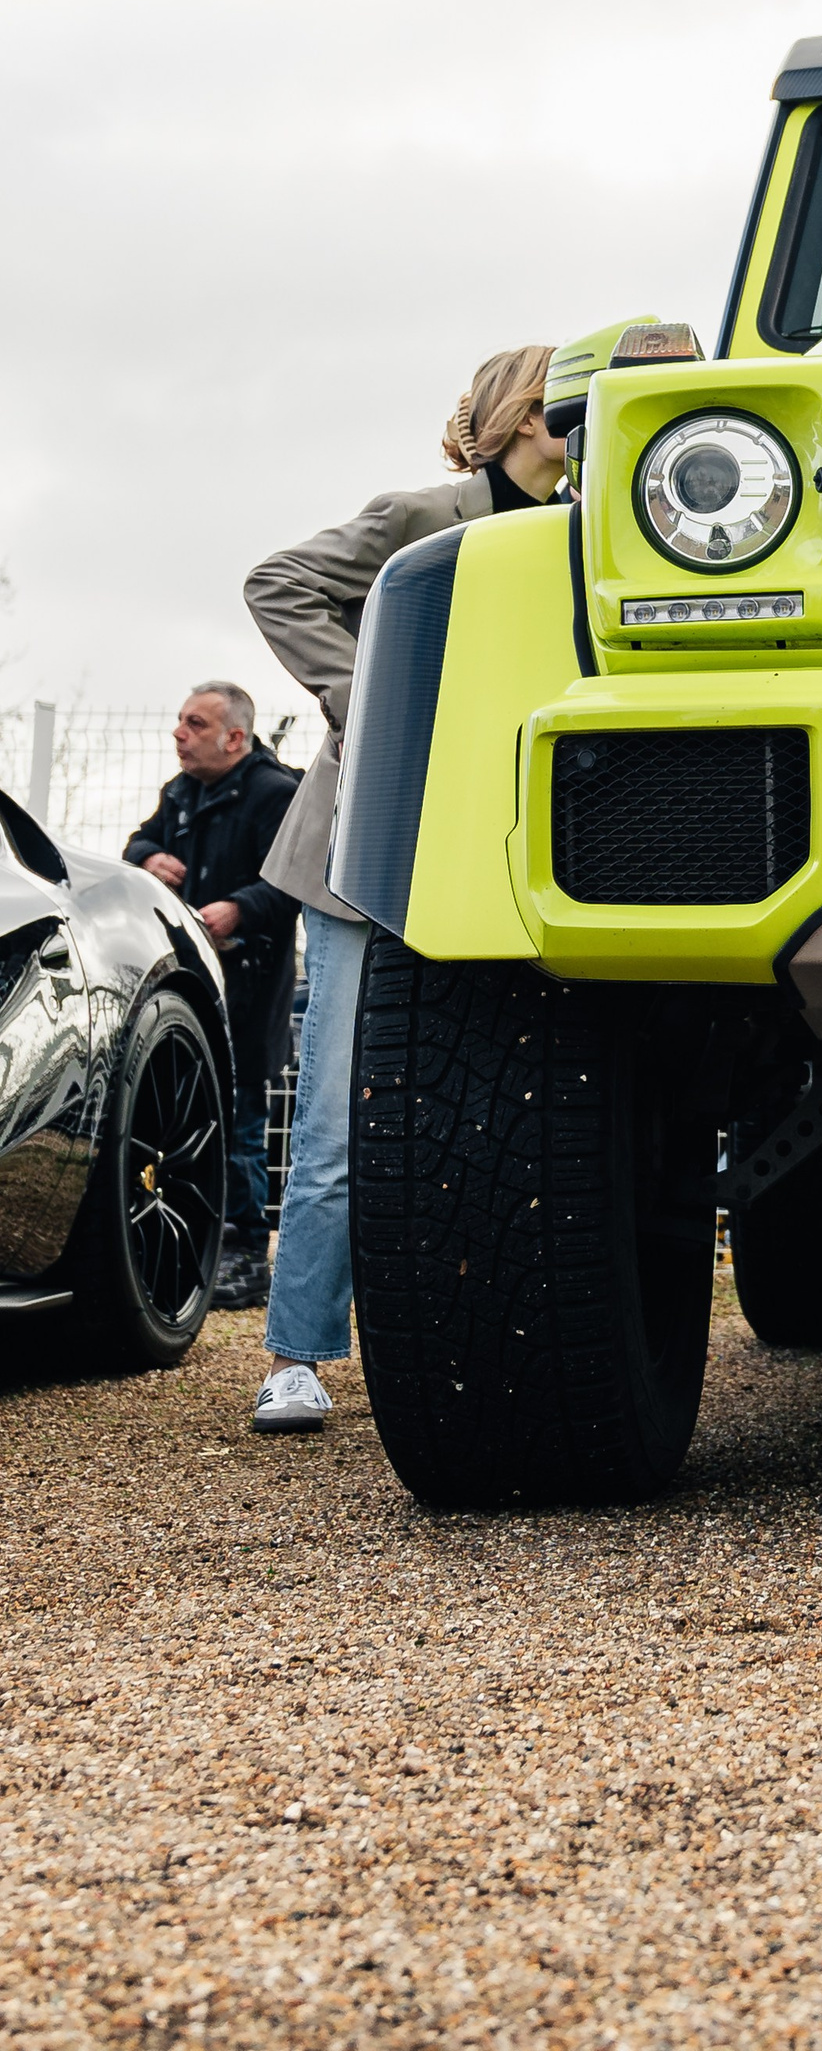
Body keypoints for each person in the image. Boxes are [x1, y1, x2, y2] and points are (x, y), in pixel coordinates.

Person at [241, 345, 562, 1433]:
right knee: (335, 1115)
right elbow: (276, 580)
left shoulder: (584, 533)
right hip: (368, 852)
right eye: (573, 405)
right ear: (526, 417)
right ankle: (296, 1356)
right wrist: (363, 697)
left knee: (483, 1114)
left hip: (501, 855)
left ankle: (477, 1342)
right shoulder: (422, 516)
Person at [122, 683, 303, 1310]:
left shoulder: (275, 796)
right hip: (193, 996)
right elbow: (135, 844)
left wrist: (237, 909)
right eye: (178, 720)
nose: (178, 732)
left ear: (235, 737)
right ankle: (194, 1248)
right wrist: (149, 858)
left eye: (194, 723)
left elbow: (292, 886)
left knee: (242, 1132)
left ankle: (248, 1256)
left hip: (249, 999)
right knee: (186, 1129)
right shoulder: (180, 793)